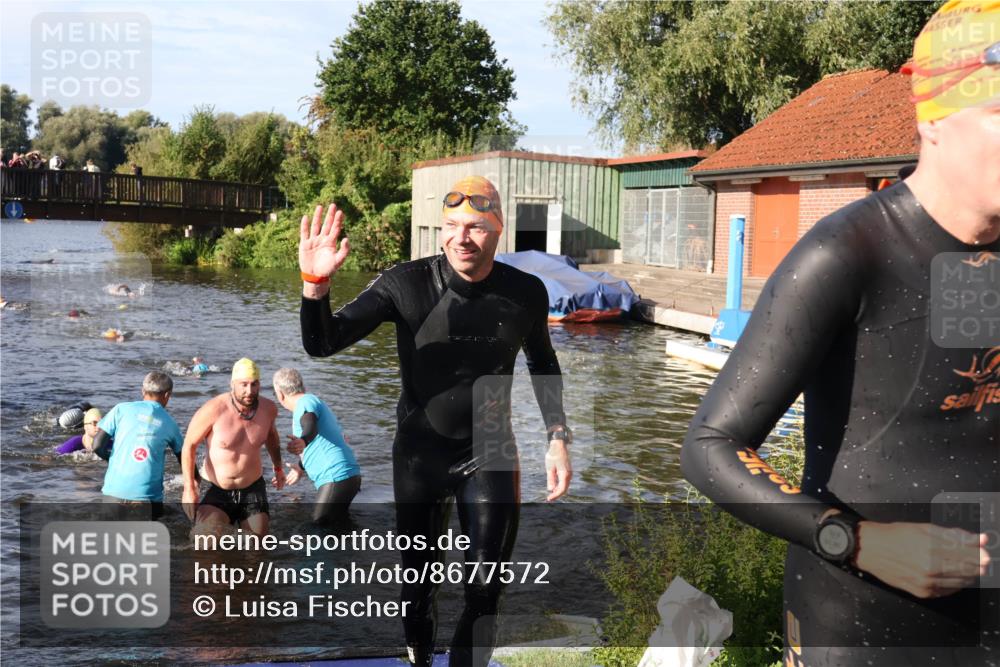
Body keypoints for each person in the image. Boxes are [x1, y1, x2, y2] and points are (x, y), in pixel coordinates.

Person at [681, 3, 998, 666]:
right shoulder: (849, 253)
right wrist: (857, 540)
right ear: (932, 119)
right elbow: (711, 446)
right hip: (859, 621)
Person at [299, 175, 572, 667]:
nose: (461, 237)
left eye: (476, 227)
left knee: (487, 589)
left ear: (499, 229)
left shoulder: (526, 292)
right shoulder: (405, 283)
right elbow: (322, 344)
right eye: (451, 225)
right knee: (417, 583)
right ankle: (419, 659)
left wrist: (557, 438)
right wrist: (315, 286)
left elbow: (543, 363)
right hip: (419, 456)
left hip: (490, 449)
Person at [181, 358, 284, 537]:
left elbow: (272, 437)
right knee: (207, 544)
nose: (249, 391)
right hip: (216, 488)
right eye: (243, 385)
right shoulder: (214, 409)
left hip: (252, 487)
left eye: (254, 384)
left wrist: (278, 468)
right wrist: (189, 488)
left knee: (258, 547)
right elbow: (189, 445)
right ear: (232, 384)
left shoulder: (268, 409)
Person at [272, 367, 361, 526]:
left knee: (318, 530)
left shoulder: (305, 402)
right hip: (346, 477)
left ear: (280, 393)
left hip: (335, 478)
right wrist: (301, 467)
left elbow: (310, 424)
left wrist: (303, 441)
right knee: (338, 528)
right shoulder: (311, 401)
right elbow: (320, 442)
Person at [91, 372, 183, 520]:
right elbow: (184, 458)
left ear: (143, 391)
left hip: (114, 492)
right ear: (167, 395)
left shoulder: (120, 409)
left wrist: (111, 458)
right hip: (148, 496)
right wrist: (195, 480)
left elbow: (96, 445)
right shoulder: (169, 423)